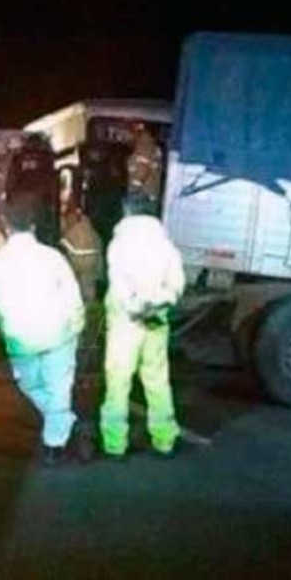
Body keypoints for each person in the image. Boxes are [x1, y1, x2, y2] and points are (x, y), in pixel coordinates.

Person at [0, 193, 85, 466]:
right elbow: (73, 296)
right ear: (34, 226)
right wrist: (79, 326)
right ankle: (59, 433)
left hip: (20, 339)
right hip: (59, 333)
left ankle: (56, 437)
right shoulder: (52, 257)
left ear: (5, 225)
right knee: (59, 386)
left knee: (30, 384)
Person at [100, 194, 185, 460]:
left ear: (127, 212)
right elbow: (176, 285)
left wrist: (138, 307)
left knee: (118, 382)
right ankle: (164, 440)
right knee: (157, 380)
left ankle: (115, 444)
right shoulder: (166, 245)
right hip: (156, 321)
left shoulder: (120, 244)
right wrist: (156, 305)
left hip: (127, 323)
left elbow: (119, 285)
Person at [126, 122, 163, 213]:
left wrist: (135, 187)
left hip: (142, 194)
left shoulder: (144, 144)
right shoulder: (151, 145)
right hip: (149, 193)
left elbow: (143, 167)